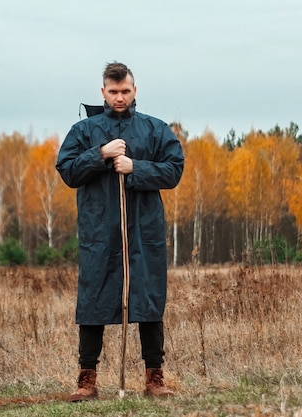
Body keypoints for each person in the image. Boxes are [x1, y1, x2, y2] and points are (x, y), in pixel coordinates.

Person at [56, 62, 184, 401]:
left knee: (148, 301)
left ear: (135, 90)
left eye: (125, 91)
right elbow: (67, 170)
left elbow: (174, 171)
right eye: (113, 92)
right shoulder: (84, 132)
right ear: (103, 92)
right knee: (93, 301)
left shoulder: (155, 130)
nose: (119, 97)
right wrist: (101, 154)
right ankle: (87, 381)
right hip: (100, 232)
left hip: (144, 232)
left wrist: (135, 167)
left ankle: (154, 379)